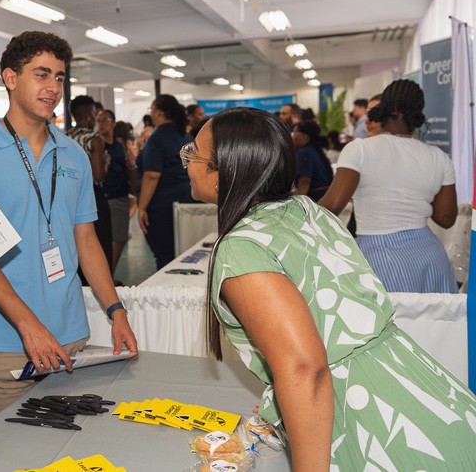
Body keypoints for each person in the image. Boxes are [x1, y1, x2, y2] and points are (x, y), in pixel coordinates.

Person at [186, 106, 476, 471]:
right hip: (421, 393)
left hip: (370, 420)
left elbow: (306, 369)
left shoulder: (241, 248)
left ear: (226, 168)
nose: (187, 162)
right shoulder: (307, 210)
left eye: (193, 153)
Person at [0, 31, 137, 420]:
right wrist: (29, 327)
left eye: (60, 77)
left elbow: (86, 240)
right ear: (10, 78)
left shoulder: (73, 154)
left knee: (72, 454)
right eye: (41, 74)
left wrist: (116, 310)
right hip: (6, 343)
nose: (53, 87)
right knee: (16, 455)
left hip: (70, 337)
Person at [319, 79, 457, 293]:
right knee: (433, 323)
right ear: (419, 112)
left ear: (386, 107)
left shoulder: (359, 150)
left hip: (379, 257)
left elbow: (332, 206)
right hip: (429, 256)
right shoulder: (439, 157)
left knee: (387, 324)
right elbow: (446, 219)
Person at [137, 94, 194, 269]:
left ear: (159, 112)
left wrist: (141, 207)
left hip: (162, 205)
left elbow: (152, 176)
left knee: (164, 255)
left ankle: (167, 293)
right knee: (185, 253)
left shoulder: (157, 139)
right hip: (188, 201)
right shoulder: (185, 136)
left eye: (152, 109)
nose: (151, 113)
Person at [67, 95, 112, 281]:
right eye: (94, 114)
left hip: (69, 197)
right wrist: (106, 163)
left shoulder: (65, 137)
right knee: (97, 244)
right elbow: (98, 175)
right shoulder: (95, 139)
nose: (95, 119)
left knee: (75, 246)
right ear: (86, 115)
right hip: (92, 197)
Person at [97, 109, 130, 273]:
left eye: (105, 120)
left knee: (121, 238)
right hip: (107, 195)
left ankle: (109, 272)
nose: (101, 124)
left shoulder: (120, 143)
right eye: (99, 120)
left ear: (113, 123)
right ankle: (107, 275)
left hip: (121, 193)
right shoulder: (98, 144)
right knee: (111, 238)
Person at [292, 120, 333, 202]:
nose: (293, 137)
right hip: (325, 195)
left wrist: (300, 204)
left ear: (304, 137)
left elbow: (304, 181)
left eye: (295, 134)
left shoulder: (304, 152)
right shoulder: (314, 150)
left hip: (316, 198)